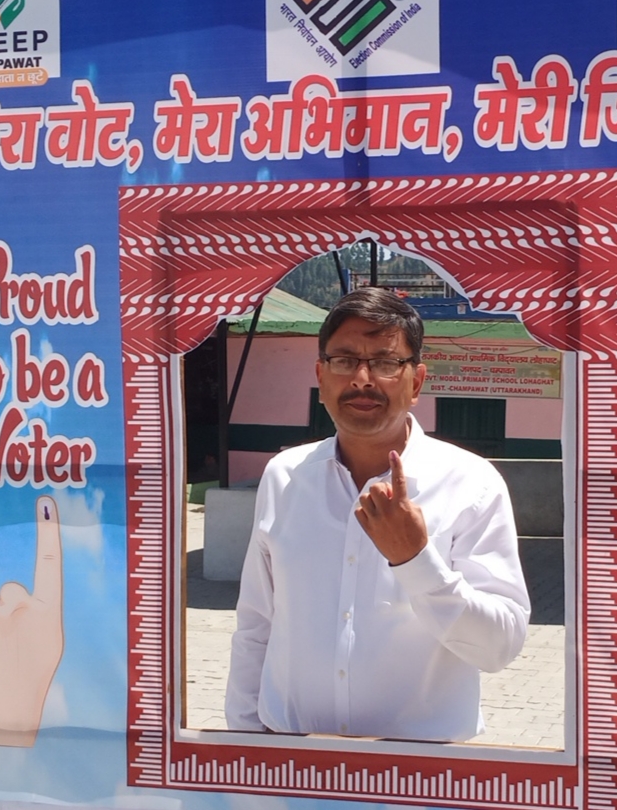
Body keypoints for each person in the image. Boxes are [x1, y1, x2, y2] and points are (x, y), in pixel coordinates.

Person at [225, 287, 530, 742]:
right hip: (290, 759)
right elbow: (257, 623)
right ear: (321, 376)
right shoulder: (285, 476)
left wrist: (417, 561)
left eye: (386, 363)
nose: (363, 379)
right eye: (344, 360)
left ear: (417, 381)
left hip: (420, 768)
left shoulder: (471, 484)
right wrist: (245, 737)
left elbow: (499, 647)